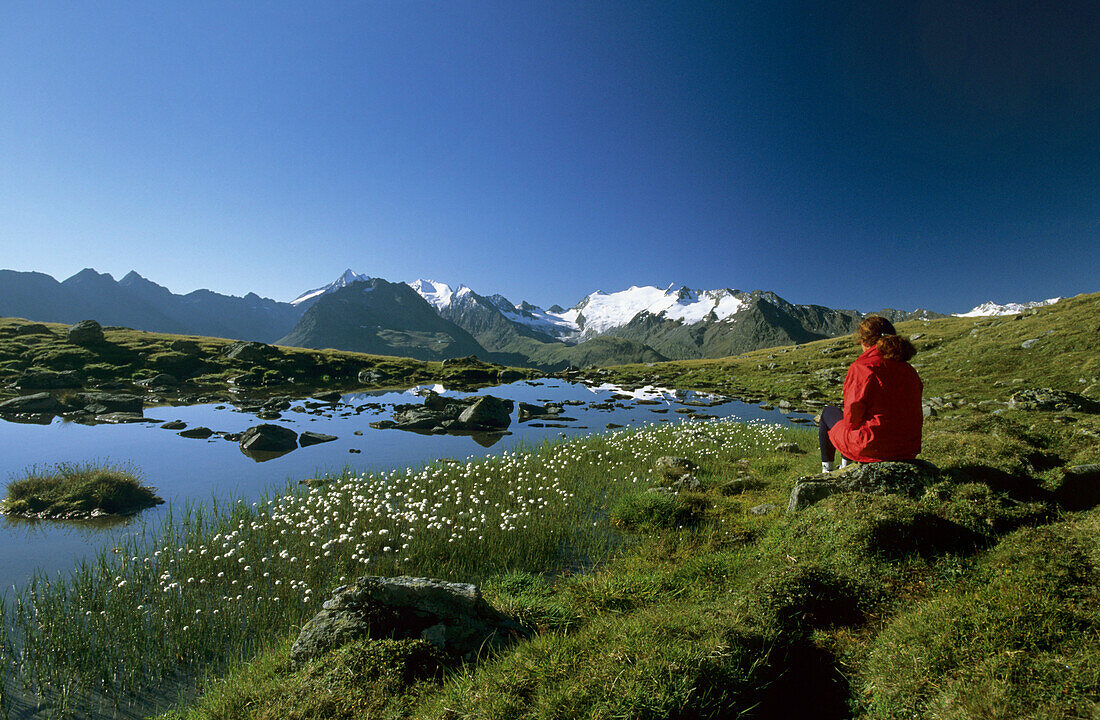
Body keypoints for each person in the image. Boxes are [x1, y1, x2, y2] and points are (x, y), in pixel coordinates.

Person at [819, 316, 923, 472]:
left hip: (872, 447)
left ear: (864, 341)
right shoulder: (909, 370)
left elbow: (852, 419)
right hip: (908, 448)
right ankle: (846, 466)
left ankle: (828, 471)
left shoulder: (862, 367)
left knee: (829, 413)